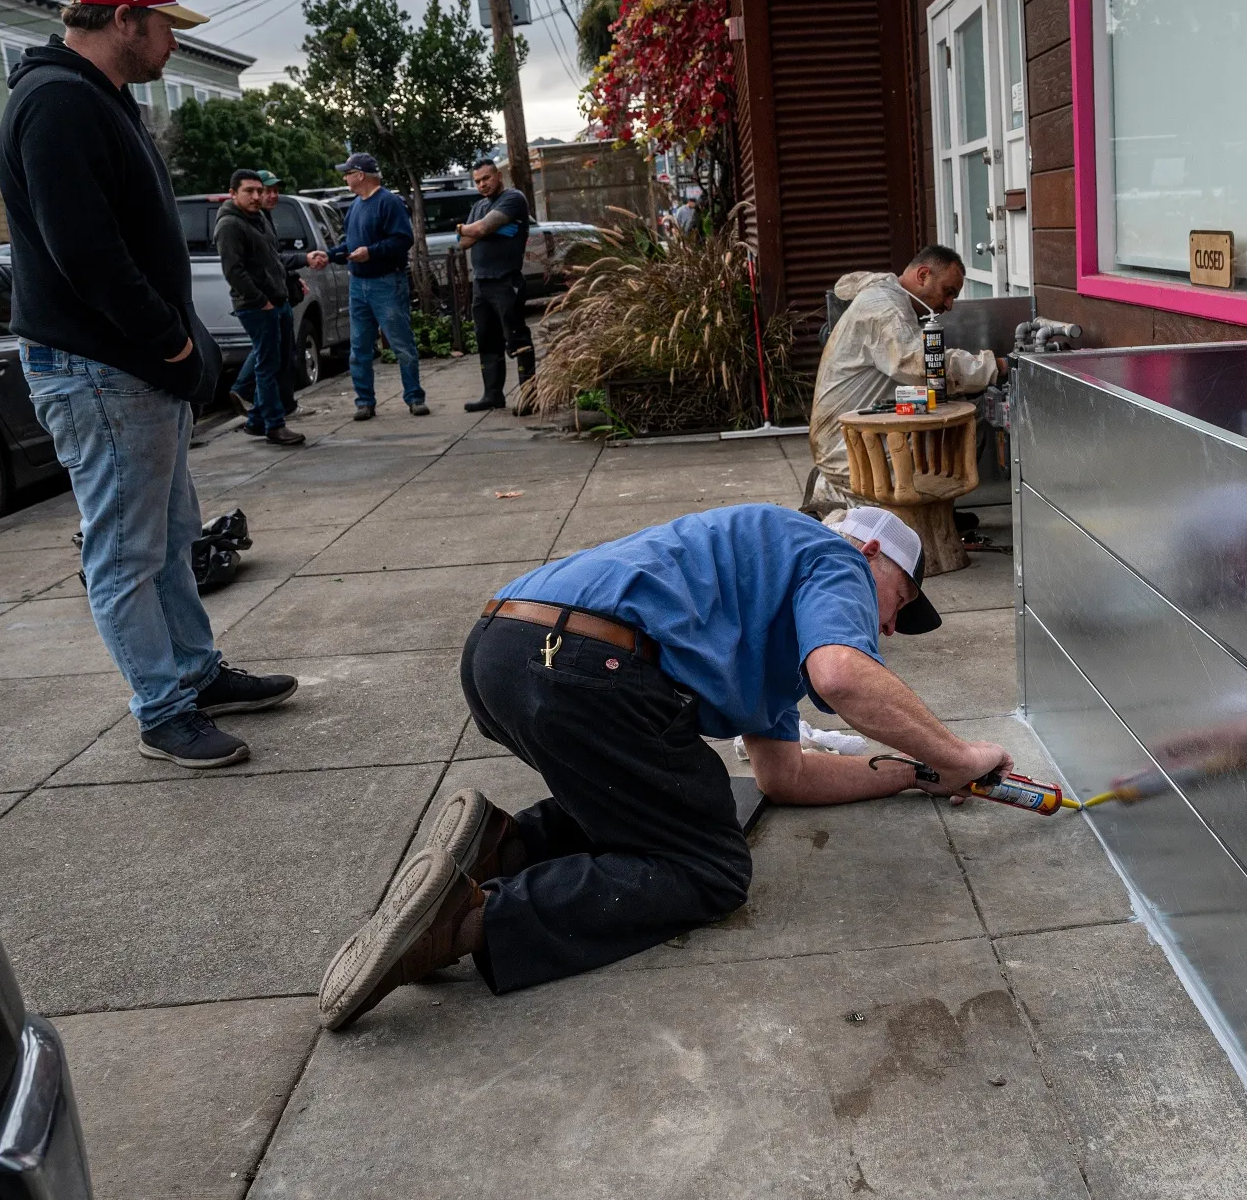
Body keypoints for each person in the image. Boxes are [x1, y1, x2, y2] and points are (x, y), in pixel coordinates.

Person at [316, 503, 1016, 1029]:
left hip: (503, 648)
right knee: (711, 866)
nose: (890, 625)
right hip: (591, 665)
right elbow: (843, 674)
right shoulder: (829, 556)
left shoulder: (763, 598)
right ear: (869, 549)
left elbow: (784, 776)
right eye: (900, 599)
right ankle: (466, 920)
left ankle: (506, 844)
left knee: (664, 801)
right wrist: (957, 754)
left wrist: (910, 772)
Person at [0, 0, 298, 770]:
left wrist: (176, 348)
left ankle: (195, 676)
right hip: (102, 368)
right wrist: (170, 340)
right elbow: (87, 256)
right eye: (165, 22)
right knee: (125, 552)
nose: (173, 40)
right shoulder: (58, 103)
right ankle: (163, 709)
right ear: (124, 17)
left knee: (167, 542)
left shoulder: (101, 99)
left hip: (129, 369)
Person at [805, 244, 1003, 515]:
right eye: (948, 292)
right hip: (848, 449)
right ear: (923, 275)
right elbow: (923, 366)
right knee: (969, 420)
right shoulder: (884, 309)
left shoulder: (888, 300)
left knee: (955, 407)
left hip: (850, 436)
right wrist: (993, 366)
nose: (949, 305)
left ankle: (936, 512)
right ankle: (917, 509)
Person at [304, 152, 425, 421]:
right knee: (359, 347)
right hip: (358, 284)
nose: (345, 177)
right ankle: (364, 402)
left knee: (401, 343)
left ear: (360, 175)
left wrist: (371, 252)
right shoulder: (357, 205)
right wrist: (331, 255)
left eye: (347, 173)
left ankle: (415, 397)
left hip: (386, 282)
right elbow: (351, 244)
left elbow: (403, 239)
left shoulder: (388, 202)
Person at [214, 169, 304, 445]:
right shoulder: (230, 224)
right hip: (257, 307)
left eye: (258, 191)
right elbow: (234, 271)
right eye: (249, 191)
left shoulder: (258, 218)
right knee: (267, 367)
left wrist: (286, 286)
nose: (256, 196)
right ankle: (274, 425)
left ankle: (256, 421)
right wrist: (259, 300)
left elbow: (273, 260)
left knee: (278, 362)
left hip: (277, 301)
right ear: (233, 193)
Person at [454, 156, 534, 413]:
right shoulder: (478, 206)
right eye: (477, 181)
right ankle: (493, 394)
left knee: (516, 338)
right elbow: (464, 242)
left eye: (486, 178)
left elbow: (477, 232)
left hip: (505, 281)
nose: (482, 184)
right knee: (486, 340)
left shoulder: (513, 199)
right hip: (481, 282)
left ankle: (529, 396)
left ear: (498, 176)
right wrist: (474, 230)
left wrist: (472, 229)